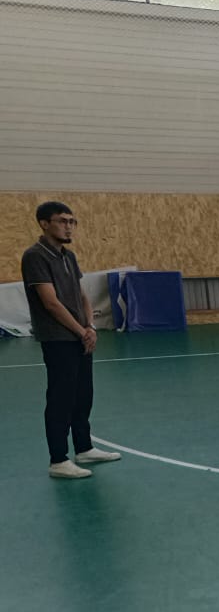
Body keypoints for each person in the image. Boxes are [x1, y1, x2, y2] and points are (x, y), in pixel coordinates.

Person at [20, 201, 121, 479]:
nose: (69, 227)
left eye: (72, 221)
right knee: (61, 398)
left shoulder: (69, 256)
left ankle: (84, 448)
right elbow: (51, 303)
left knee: (82, 395)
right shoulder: (35, 256)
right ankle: (58, 460)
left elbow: (82, 294)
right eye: (62, 221)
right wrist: (80, 331)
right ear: (44, 224)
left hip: (80, 336)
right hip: (58, 339)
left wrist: (90, 327)